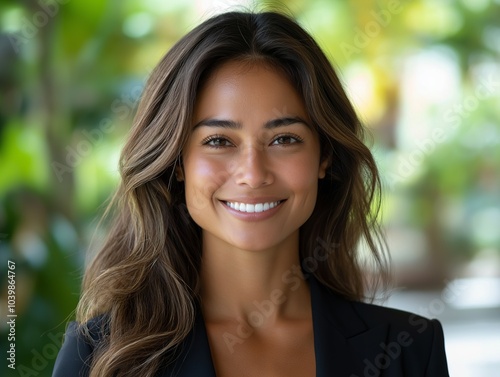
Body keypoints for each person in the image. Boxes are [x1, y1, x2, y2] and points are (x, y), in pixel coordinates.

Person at [52, 10, 449, 377]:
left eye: (284, 138)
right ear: (177, 162)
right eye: (219, 140)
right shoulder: (99, 357)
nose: (253, 174)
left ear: (324, 156)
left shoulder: (410, 351)